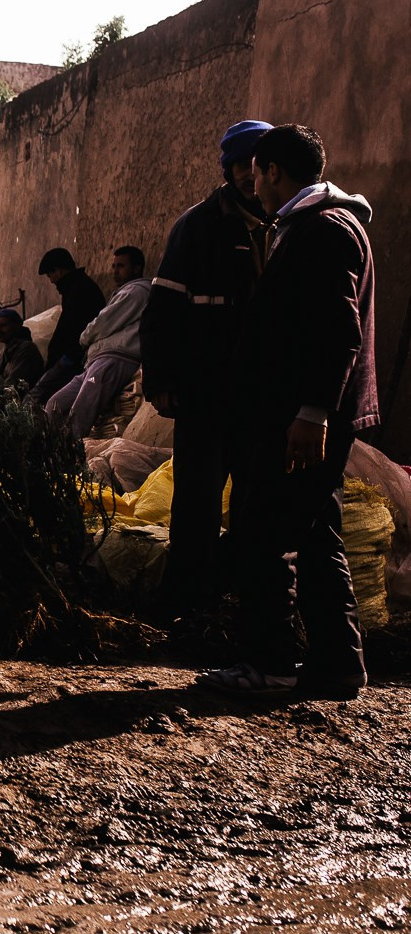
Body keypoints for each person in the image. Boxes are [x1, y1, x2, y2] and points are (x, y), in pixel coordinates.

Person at [196, 125, 378, 698]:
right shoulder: (317, 225)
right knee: (317, 534)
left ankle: (269, 662)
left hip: (301, 419)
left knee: (259, 534)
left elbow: (338, 333)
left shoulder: (322, 230)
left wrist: (313, 413)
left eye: (255, 173)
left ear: (273, 170)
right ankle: (338, 663)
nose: (252, 184)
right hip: (301, 414)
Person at [141, 119, 275, 618]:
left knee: (255, 501)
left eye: (258, 164)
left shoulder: (286, 224)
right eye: (243, 164)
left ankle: (239, 597)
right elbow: (162, 310)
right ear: (230, 169)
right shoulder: (198, 226)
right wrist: (159, 378)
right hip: (204, 390)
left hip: (261, 395)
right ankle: (185, 601)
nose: (250, 174)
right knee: (196, 500)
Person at [43, 246, 150, 439]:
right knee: (54, 405)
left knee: (79, 416)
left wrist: (84, 338)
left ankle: (68, 460)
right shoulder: (124, 293)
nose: (115, 271)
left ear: (137, 268)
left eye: (121, 266)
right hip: (95, 362)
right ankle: (49, 453)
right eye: (113, 266)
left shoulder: (137, 292)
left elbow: (104, 322)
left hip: (113, 360)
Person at [28, 249, 105, 405]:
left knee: (36, 397)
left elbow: (71, 329)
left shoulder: (79, 290)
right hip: (71, 357)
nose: (51, 281)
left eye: (50, 275)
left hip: (72, 358)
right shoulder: (76, 287)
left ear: (60, 270)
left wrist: (63, 358)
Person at [0, 306, 43, 392]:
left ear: (16, 326)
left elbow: (12, 385)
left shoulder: (27, 349)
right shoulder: (3, 352)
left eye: (4, 325)